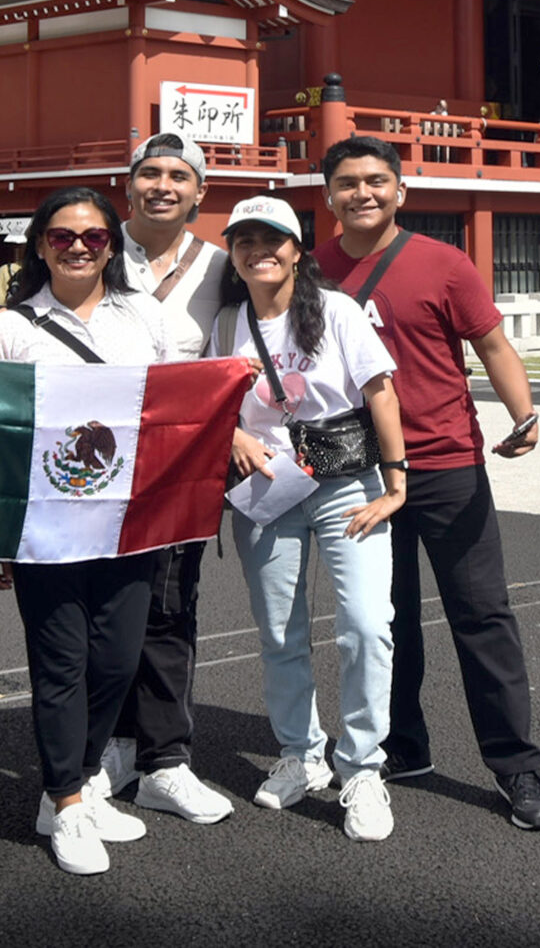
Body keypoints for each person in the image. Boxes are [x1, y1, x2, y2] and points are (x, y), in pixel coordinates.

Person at [313, 136, 540, 832]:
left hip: (447, 462)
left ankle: (517, 766)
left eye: (376, 180)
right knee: (382, 621)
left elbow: (492, 344)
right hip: (359, 469)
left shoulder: (443, 263)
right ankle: (401, 745)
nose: (363, 192)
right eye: (348, 182)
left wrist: (525, 413)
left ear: (400, 190)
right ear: (328, 193)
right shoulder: (312, 269)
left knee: (481, 616)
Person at [0, 187, 175, 876]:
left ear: (111, 247)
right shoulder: (9, 327)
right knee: (61, 661)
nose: (77, 246)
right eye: (62, 235)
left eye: (94, 237)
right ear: (39, 245)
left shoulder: (143, 314)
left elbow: (173, 402)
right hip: (45, 522)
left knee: (118, 659)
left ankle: (79, 775)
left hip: (130, 518)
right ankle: (66, 800)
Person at [217, 194, 407, 843]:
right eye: (244, 239)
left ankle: (362, 768)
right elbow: (209, 402)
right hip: (265, 488)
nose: (258, 250)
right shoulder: (226, 323)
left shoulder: (336, 311)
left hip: (345, 480)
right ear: (233, 252)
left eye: (273, 239)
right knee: (278, 629)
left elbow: (380, 389)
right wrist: (230, 439)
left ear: (298, 250)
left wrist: (396, 478)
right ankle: (301, 752)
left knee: (364, 624)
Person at [98, 135, 236, 827]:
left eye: (178, 175)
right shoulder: (90, 246)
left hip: (184, 461)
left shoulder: (223, 264)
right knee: (100, 606)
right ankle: (106, 748)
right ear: (127, 184)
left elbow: (251, 344)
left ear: (199, 191)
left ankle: (165, 759)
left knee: (170, 606)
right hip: (98, 456)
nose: (162, 185)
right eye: (149, 172)